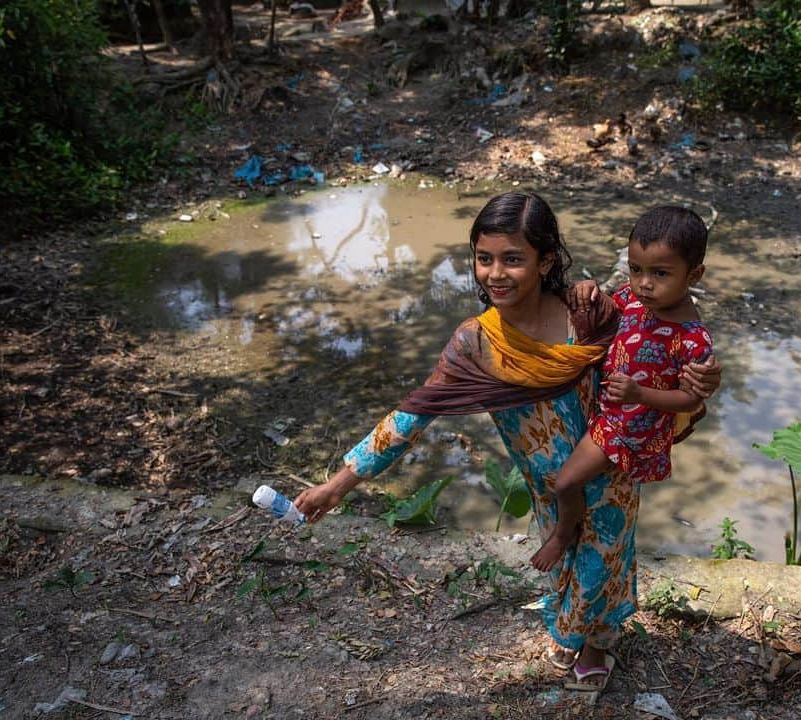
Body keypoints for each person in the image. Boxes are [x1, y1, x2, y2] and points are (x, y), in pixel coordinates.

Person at [294, 192, 722, 692]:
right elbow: (411, 416)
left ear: (545, 262)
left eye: (513, 259)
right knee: (561, 564)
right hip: (547, 484)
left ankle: (598, 642)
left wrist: (705, 382)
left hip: (611, 471)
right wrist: (339, 485)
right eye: (484, 258)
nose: (495, 273)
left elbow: (665, 353)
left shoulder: (584, 314)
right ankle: (577, 629)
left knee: (602, 562)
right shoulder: (475, 344)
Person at [529, 206, 713, 588]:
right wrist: (589, 289)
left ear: (694, 275)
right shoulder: (634, 297)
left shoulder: (693, 338)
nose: (644, 283)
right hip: (604, 408)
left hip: (628, 428)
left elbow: (690, 401)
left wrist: (639, 393)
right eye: (636, 269)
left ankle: (563, 534)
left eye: (660, 273)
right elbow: (609, 305)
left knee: (566, 483)